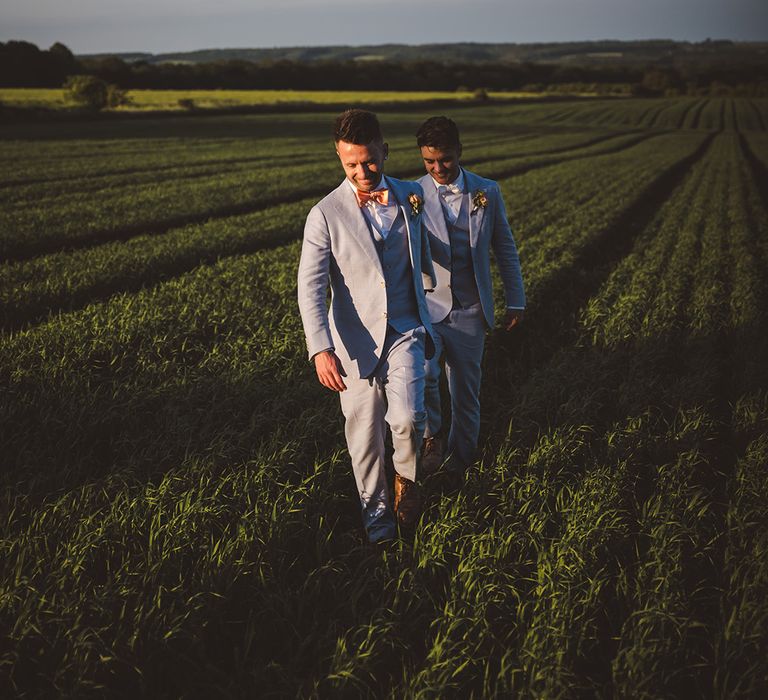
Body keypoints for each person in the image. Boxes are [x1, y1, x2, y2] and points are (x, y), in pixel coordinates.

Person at [298, 109, 436, 543]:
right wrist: (321, 349)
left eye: (369, 161)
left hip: (407, 329)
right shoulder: (324, 214)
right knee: (363, 440)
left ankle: (406, 479)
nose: (361, 172)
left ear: (385, 151)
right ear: (339, 158)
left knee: (410, 418)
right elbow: (311, 287)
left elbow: (427, 257)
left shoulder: (412, 195)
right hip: (353, 344)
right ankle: (379, 531)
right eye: (350, 164)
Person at [415, 115, 525, 483]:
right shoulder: (411, 193)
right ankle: (432, 437)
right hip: (428, 307)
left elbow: (505, 248)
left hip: (471, 309)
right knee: (426, 376)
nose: (437, 168)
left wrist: (516, 300)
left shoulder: (487, 192)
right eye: (429, 161)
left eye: (444, 159)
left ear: (459, 151)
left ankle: (461, 460)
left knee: (465, 390)